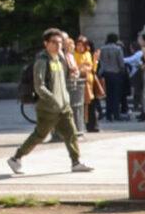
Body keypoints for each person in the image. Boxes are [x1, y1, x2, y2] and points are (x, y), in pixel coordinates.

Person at [8, 28, 94, 175]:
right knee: (39, 136)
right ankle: (16, 158)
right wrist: (53, 99)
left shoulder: (60, 59)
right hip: (48, 108)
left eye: (60, 42)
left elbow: (62, 80)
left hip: (63, 106)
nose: (58, 45)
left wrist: (72, 78)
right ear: (46, 44)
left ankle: (76, 162)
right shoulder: (42, 61)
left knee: (71, 133)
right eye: (54, 42)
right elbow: (39, 86)